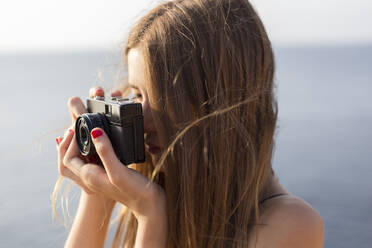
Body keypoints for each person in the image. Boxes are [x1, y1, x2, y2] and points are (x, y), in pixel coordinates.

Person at [54, 0, 324, 247]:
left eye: (163, 97)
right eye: (137, 94)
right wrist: (97, 191)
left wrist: (151, 217)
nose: (143, 119)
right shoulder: (166, 185)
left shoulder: (291, 224)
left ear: (221, 100)